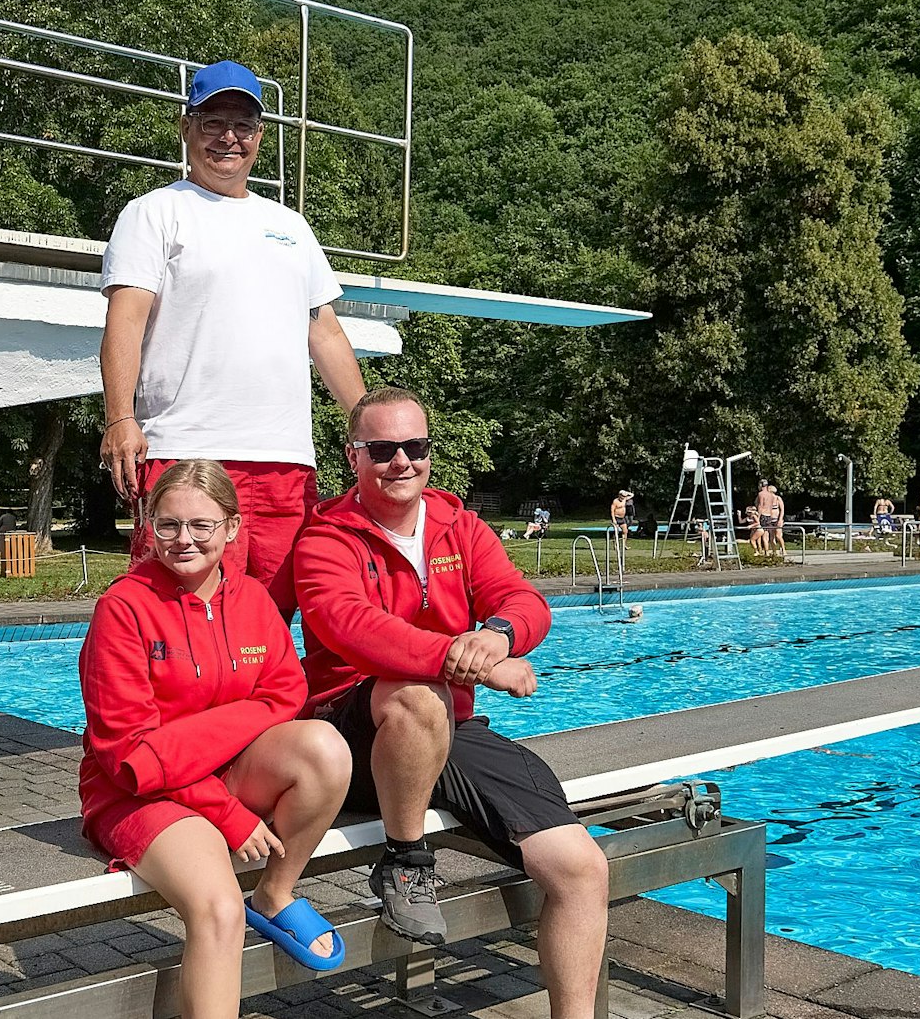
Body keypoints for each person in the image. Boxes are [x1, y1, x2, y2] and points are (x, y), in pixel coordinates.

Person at [294, 388, 609, 1019]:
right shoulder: (325, 539)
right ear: (352, 455)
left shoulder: (459, 527)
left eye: (415, 447)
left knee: (581, 868)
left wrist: (496, 637)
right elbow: (350, 626)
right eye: (382, 449)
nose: (401, 462)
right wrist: (465, 663)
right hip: (348, 735)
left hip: (445, 726)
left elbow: (523, 601)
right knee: (416, 694)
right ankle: (406, 861)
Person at [80, 460, 353, 1013]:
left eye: (202, 525)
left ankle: (275, 892)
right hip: (139, 793)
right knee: (220, 909)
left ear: (232, 528)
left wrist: (189, 742)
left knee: (324, 747)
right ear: (148, 526)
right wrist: (225, 810)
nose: (185, 540)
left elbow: (287, 695)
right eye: (169, 525)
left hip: (215, 769)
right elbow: (128, 753)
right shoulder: (123, 609)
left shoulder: (252, 600)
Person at [97, 60, 367, 613]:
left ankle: (264, 705)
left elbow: (326, 332)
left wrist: (368, 427)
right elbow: (125, 320)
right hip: (186, 452)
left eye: (242, 125)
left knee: (268, 619)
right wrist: (121, 418)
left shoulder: (291, 227)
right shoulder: (154, 213)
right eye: (213, 120)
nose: (228, 137)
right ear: (186, 126)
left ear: (260, 136)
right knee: (172, 615)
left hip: (286, 460)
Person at [755, 481, 784, 556]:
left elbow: (761, 506)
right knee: (770, 537)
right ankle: (772, 551)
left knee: (772, 536)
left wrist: (758, 517)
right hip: (770, 517)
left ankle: (777, 550)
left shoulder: (763, 494)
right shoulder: (769, 496)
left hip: (769, 517)